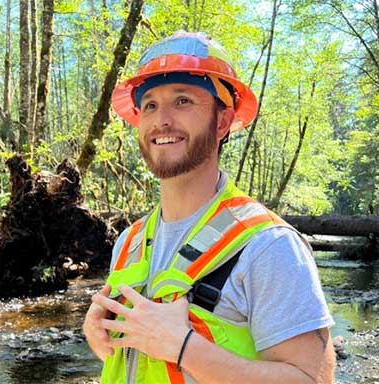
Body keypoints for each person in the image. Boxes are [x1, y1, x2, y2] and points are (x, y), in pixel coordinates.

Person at [83, 30, 335, 384]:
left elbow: (313, 381)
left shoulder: (269, 245)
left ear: (222, 122)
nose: (162, 120)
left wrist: (185, 348)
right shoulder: (129, 243)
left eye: (182, 100)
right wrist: (101, 339)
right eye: (150, 104)